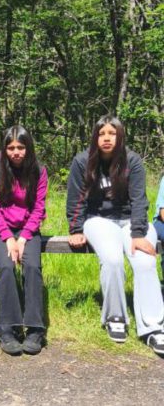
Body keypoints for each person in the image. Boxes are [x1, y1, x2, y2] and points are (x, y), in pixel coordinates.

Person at [66, 115, 164, 354]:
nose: (107, 138)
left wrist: (138, 234)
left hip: (132, 221)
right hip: (99, 220)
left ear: (120, 136)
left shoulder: (132, 161)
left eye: (112, 133)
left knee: (145, 261)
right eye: (101, 134)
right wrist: (76, 228)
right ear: (95, 137)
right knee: (112, 259)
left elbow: (139, 200)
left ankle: (153, 328)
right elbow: (76, 199)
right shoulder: (82, 162)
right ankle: (115, 317)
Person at [0, 127, 48, 356]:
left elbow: (39, 207)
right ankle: (6, 329)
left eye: (21, 147)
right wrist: (8, 237)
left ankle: (35, 329)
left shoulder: (39, 170)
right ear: (5, 149)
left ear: (28, 148)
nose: (16, 152)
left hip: (28, 227)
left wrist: (24, 236)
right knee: (7, 266)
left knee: (32, 266)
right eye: (11, 148)